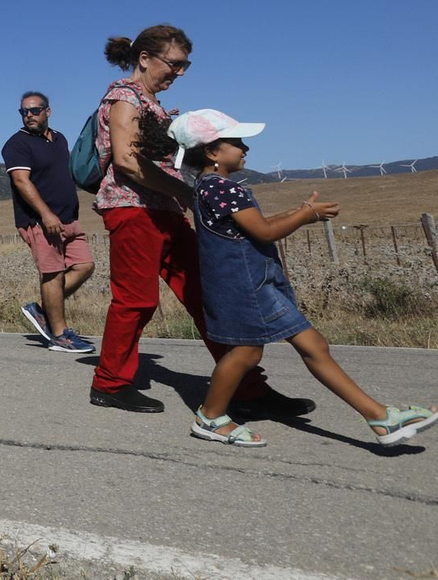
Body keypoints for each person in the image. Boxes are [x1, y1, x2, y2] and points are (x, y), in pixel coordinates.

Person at [145, 109, 436, 447]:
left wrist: (298, 212)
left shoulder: (209, 188)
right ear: (211, 152)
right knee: (246, 354)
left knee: (313, 346)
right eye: (236, 142)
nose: (245, 148)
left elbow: (253, 226)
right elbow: (265, 231)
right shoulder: (224, 190)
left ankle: (379, 417)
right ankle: (210, 418)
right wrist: (305, 215)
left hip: (256, 285)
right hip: (245, 287)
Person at [87, 25, 307, 419]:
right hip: (133, 209)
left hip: (164, 212)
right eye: (175, 64)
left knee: (208, 295)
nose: (180, 72)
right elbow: (125, 161)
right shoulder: (124, 98)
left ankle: (246, 386)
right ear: (145, 59)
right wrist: (187, 194)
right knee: (136, 300)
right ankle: (110, 383)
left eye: (185, 66)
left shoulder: (149, 102)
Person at [2, 92, 96, 354]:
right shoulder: (17, 144)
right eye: (24, 112)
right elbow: (22, 181)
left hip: (69, 218)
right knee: (52, 273)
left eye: (34, 110)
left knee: (85, 266)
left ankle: (43, 310)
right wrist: (45, 214)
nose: (29, 115)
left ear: (48, 111)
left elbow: (69, 175)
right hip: (40, 221)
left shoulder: (60, 139)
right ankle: (59, 334)